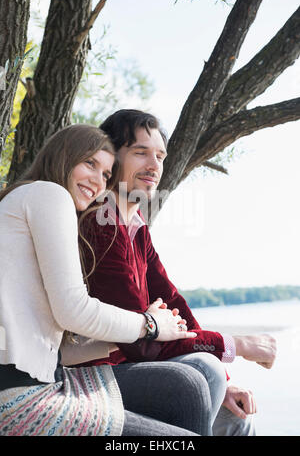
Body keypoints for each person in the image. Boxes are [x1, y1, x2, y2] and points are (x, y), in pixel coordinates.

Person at [0, 123, 215, 437]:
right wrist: (150, 326)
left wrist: (137, 334)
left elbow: (50, 353)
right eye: (90, 164)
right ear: (63, 157)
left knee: (186, 385)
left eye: (106, 174)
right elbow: (73, 310)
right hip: (19, 402)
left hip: (40, 379)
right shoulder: (49, 194)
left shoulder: (32, 201)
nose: (97, 181)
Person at [77, 110, 277, 436]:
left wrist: (226, 383)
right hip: (96, 371)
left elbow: (170, 299)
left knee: (236, 418)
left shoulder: (135, 225)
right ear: (110, 157)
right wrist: (237, 344)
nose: (155, 166)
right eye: (141, 153)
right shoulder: (100, 225)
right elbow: (140, 343)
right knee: (205, 369)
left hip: (132, 366)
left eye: (160, 155)